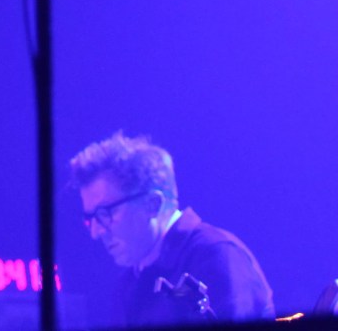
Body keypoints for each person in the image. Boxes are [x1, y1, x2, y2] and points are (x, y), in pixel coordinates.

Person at [69, 131, 274, 326]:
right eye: (91, 218)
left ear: (152, 204)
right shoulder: (128, 285)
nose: (96, 232)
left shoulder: (216, 255)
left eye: (106, 213)